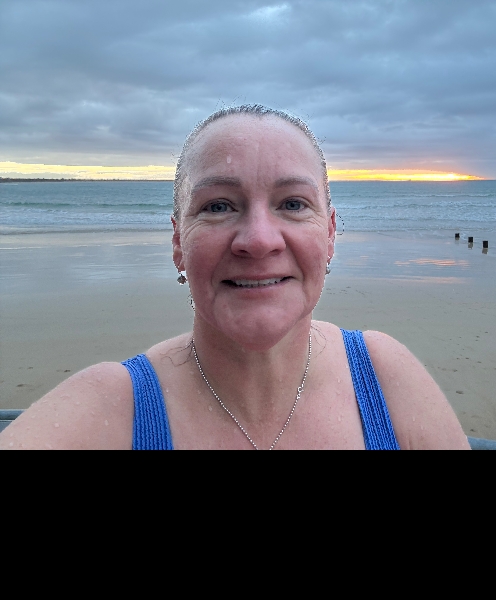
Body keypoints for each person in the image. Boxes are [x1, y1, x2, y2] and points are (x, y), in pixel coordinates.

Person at [0, 105, 469, 450]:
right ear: (179, 242)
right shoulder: (109, 408)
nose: (259, 240)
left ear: (329, 234)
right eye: (218, 206)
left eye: (292, 203)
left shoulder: (385, 378)